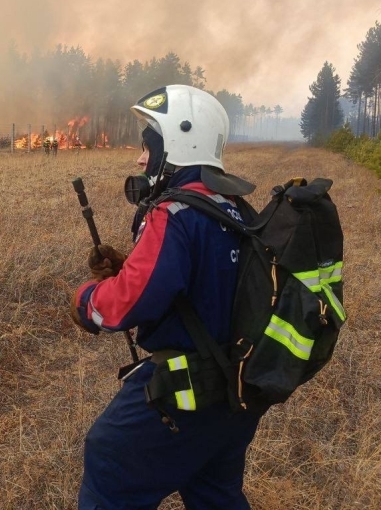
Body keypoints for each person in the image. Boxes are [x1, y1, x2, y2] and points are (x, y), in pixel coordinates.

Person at [70, 84, 263, 510]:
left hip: (187, 392)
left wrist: (85, 298)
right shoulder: (232, 207)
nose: (140, 158)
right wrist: (129, 266)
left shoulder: (174, 212)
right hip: (234, 394)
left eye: (148, 146)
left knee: (108, 460)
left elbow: (123, 305)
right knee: (214, 492)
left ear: (179, 140)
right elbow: (204, 282)